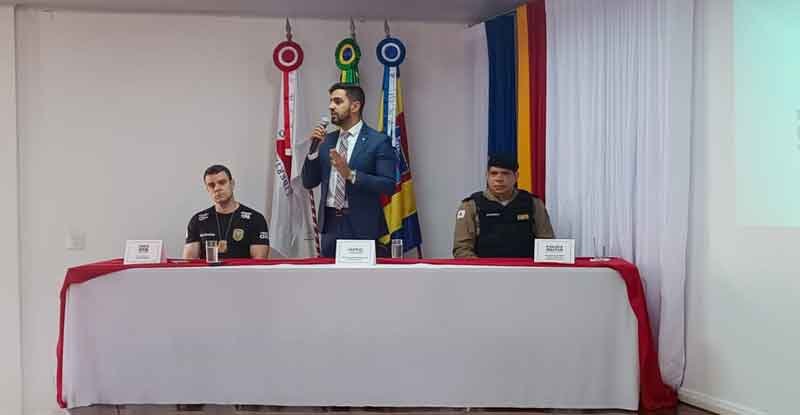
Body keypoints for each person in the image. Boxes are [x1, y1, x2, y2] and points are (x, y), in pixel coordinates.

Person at [301, 83, 397, 258]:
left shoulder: (378, 141)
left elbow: (388, 185)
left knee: (360, 276)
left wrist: (351, 175)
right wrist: (313, 151)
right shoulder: (327, 141)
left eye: (338, 101)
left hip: (363, 226)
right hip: (330, 225)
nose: (331, 106)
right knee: (329, 275)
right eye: (331, 101)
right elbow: (308, 181)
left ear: (355, 106)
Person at [453, 154, 555, 258]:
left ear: (516, 176)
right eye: (494, 173)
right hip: (486, 267)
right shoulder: (471, 206)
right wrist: (484, 268)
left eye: (505, 173)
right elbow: (462, 250)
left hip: (525, 267)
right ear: (487, 176)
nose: (499, 179)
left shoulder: (533, 203)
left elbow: (547, 245)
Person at [183, 164, 270, 260]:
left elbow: (259, 262)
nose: (217, 188)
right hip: (209, 270)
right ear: (207, 189)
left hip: (242, 270)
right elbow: (189, 262)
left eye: (222, 182)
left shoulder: (255, 219)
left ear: (232, 184)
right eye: (211, 185)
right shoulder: (198, 221)